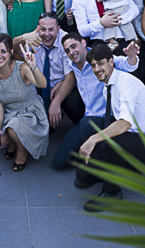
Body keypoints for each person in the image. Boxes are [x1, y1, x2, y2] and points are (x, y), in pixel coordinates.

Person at [74, 44, 145, 212]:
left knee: (113, 139)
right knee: (82, 176)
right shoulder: (107, 87)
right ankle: (115, 170)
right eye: (93, 65)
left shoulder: (125, 82)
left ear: (111, 62)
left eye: (101, 63)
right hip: (129, 137)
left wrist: (93, 140)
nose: (97, 69)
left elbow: (124, 123)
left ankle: (112, 192)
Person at [50, 33, 139, 170]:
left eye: (74, 46)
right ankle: (90, 153)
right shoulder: (71, 64)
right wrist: (60, 84)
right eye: (67, 50)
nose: (71, 52)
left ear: (84, 43)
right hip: (88, 119)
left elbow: (126, 65)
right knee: (59, 162)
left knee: (89, 167)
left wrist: (131, 57)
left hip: (108, 120)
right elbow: (69, 76)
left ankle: (100, 156)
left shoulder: (97, 57)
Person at [0, 34, 50, 171]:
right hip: (9, 112)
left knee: (13, 128)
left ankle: (22, 151)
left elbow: (42, 84)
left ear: (11, 52)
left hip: (29, 112)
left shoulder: (22, 68)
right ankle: (13, 142)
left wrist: (33, 66)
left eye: (3, 51)